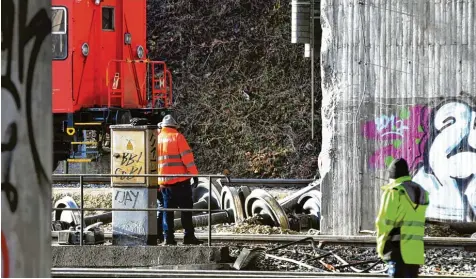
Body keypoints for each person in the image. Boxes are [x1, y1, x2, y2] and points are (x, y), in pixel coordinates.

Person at [376, 158, 430, 278]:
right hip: (415, 252)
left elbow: (383, 223)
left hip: (397, 250)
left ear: (392, 175)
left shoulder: (394, 191)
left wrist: (381, 248)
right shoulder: (422, 192)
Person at [156, 115, 203, 245]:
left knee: (167, 212)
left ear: (163, 126)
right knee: (186, 211)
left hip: (164, 183)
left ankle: (168, 238)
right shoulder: (177, 137)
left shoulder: (157, 139)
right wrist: (194, 174)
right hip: (181, 182)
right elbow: (187, 158)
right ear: (174, 126)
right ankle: (188, 237)